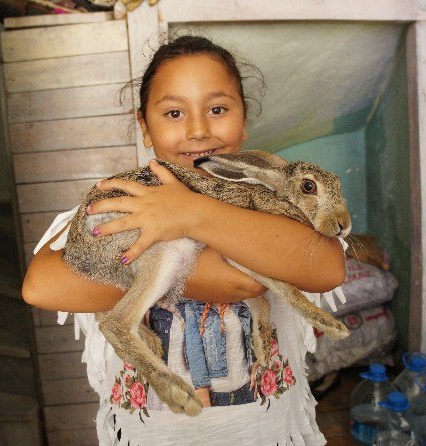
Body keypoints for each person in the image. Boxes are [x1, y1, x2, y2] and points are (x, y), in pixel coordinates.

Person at [22, 35, 346, 445]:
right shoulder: (126, 200)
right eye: (174, 112)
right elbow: (40, 285)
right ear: (144, 125)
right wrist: (200, 276)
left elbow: (327, 267)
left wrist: (192, 213)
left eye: (217, 109)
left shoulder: (283, 206)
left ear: (244, 118)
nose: (198, 130)